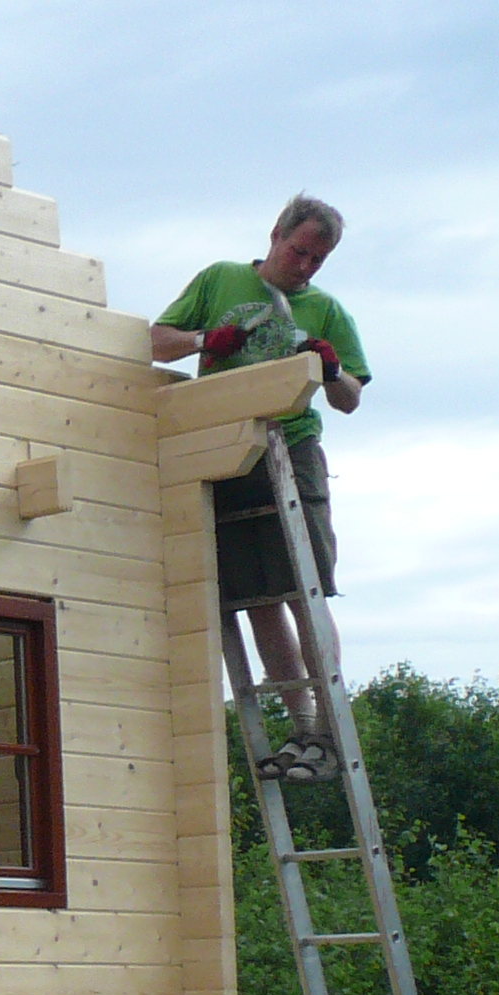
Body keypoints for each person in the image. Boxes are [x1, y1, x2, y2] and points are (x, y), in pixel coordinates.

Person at [149, 195, 369, 781]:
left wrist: (330, 369)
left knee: (304, 591)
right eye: (299, 252)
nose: (305, 266)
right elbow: (157, 340)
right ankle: (301, 727)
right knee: (256, 599)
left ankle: (329, 731)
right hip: (225, 450)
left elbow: (350, 399)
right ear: (275, 235)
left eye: (317, 260)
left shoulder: (325, 310)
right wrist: (206, 341)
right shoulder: (220, 280)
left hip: (291, 449)